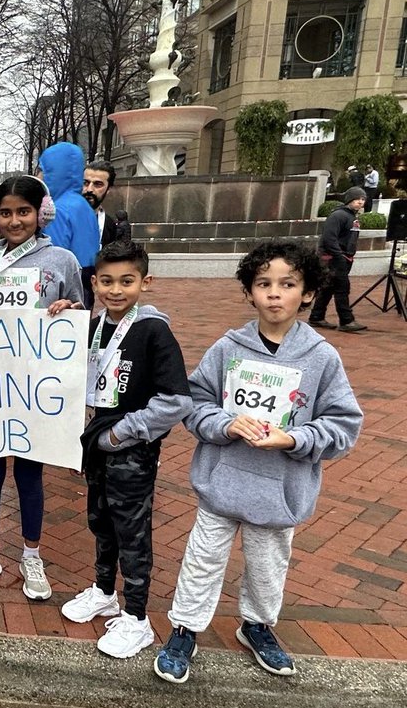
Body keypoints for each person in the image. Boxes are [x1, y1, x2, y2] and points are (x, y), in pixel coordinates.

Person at [154, 241, 363, 684]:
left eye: (287, 284)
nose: (274, 293)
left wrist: (295, 438)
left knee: (268, 564)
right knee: (203, 559)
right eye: (263, 284)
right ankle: (186, 628)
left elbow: (344, 424)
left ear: (306, 293)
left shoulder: (322, 356)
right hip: (221, 483)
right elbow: (194, 401)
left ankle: (257, 626)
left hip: (279, 490)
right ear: (249, 292)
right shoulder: (229, 347)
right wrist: (225, 425)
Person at [57, 241, 192, 659]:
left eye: (127, 281)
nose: (116, 290)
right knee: (101, 521)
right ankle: (103, 591)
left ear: (145, 282)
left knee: (132, 533)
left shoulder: (154, 331)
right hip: (97, 444)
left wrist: (123, 434)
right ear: (94, 282)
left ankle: (137, 618)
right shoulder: (96, 325)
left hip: (130, 449)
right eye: (108, 281)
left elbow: (176, 400)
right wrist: (62, 322)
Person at [0, 174, 83, 599]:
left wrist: (70, 309)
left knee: (30, 475)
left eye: (23, 212)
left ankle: (32, 555)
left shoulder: (62, 261)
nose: (15, 220)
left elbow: (81, 318)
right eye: (6, 212)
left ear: (39, 213)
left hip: (37, 388)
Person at [38, 143, 100, 307]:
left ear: (53, 173)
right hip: (86, 278)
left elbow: (53, 255)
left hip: (66, 285)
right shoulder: (83, 205)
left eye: (42, 170)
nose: (39, 176)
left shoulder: (57, 209)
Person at [308, 187, 367, 333]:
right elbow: (329, 238)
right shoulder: (338, 216)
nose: (360, 202)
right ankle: (346, 320)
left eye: (363, 199)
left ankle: (316, 317)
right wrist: (339, 256)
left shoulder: (352, 217)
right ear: (349, 200)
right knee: (342, 288)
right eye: (357, 199)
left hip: (344, 257)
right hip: (333, 258)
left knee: (328, 287)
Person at [81, 160, 120, 305]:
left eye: (97, 184)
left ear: (108, 189)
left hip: (86, 294)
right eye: (85, 183)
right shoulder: (60, 216)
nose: (89, 189)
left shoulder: (109, 225)